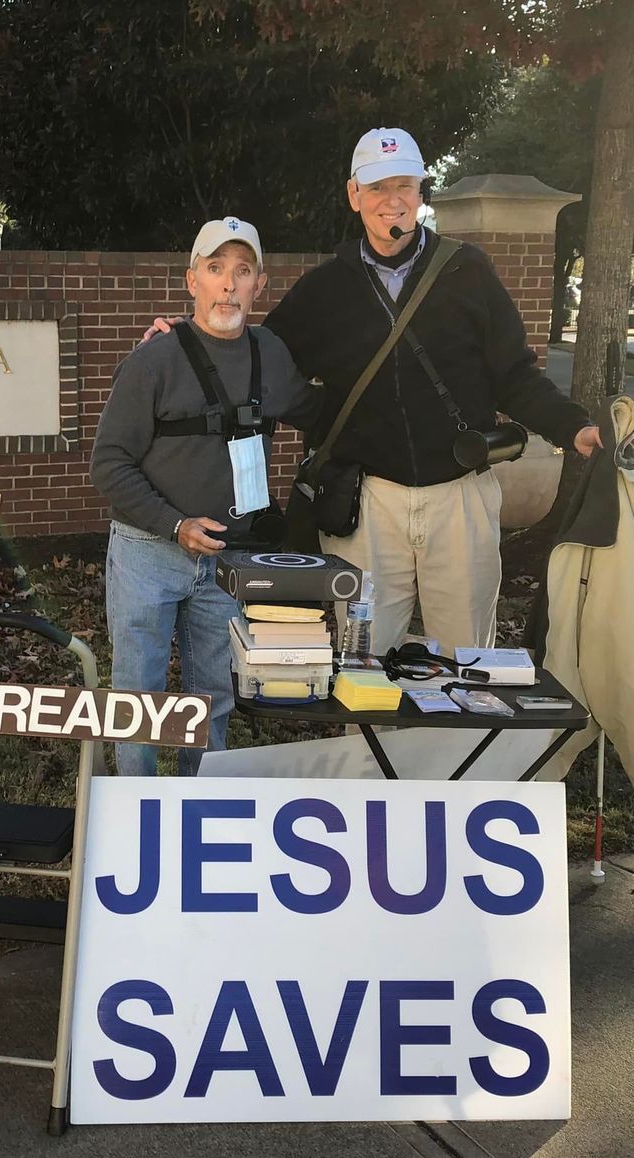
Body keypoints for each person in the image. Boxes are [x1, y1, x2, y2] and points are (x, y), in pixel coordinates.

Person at [148, 129, 601, 655]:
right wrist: (184, 341)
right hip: (367, 502)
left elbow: (515, 374)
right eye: (378, 187)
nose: (393, 200)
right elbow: (254, 359)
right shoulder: (326, 289)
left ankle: (460, 717)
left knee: (468, 658)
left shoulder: (467, 271)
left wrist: (573, 427)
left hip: (460, 495)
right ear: (354, 195)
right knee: (365, 659)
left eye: (404, 185)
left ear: (421, 191)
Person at [90, 217, 317, 775]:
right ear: (193, 280)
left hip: (228, 559)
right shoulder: (153, 360)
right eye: (215, 269)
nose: (228, 285)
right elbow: (109, 464)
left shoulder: (270, 354)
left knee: (214, 697)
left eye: (242, 271)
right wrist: (175, 524)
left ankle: (200, 805)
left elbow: (322, 414)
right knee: (138, 701)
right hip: (148, 552)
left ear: (259, 285)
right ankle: (137, 807)